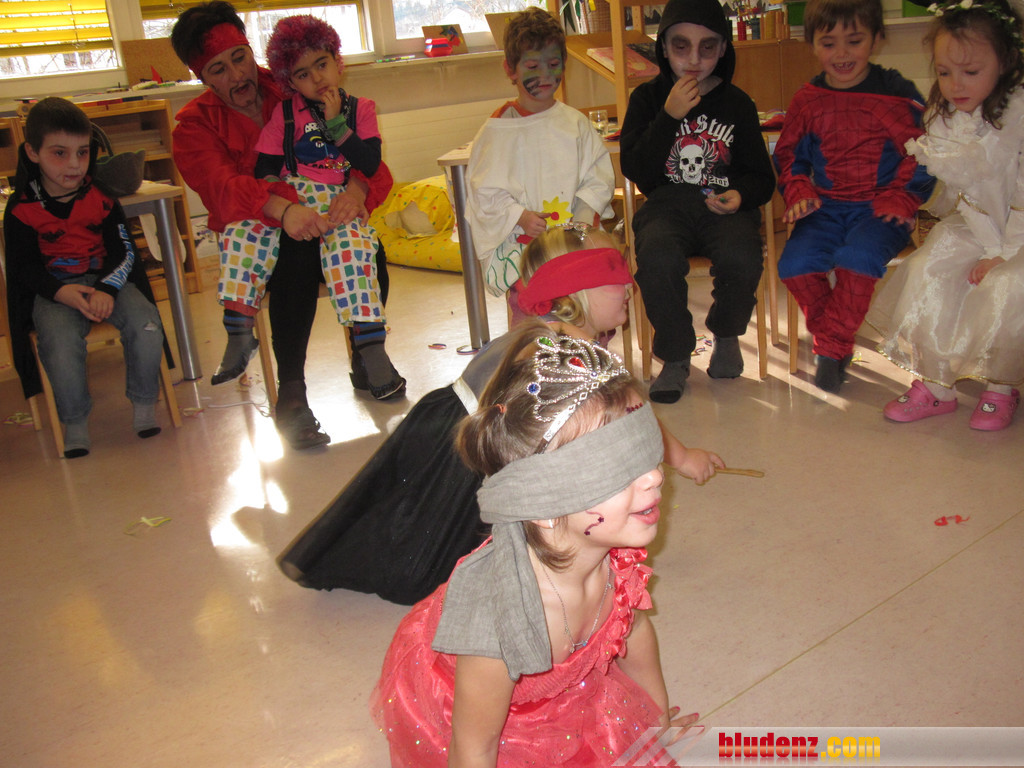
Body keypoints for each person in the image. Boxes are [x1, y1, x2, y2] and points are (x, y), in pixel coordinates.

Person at [276, 225, 723, 605]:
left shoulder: (550, 330)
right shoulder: (571, 349)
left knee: (409, 517)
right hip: (463, 442)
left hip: (452, 423)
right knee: (426, 554)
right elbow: (632, 415)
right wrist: (683, 458)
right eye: (615, 276)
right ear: (578, 288)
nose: (630, 287)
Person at [370, 329, 701, 767]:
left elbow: (634, 634)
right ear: (542, 505)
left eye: (648, 454)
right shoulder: (500, 623)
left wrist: (655, 728)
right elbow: (474, 748)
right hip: (483, 716)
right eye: (619, 470)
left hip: (566, 694)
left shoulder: (616, 560)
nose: (656, 476)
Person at [170, 1, 395, 449]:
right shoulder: (193, 127)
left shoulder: (294, 83)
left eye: (240, 57)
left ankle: (366, 356)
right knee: (296, 259)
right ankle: (291, 392)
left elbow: (365, 157)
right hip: (259, 236)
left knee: (369, 250)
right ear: (201, 77)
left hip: (324, 213)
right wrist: (283, 209)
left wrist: (355, 191)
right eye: (219, 69)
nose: (238, 76)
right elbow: (222, 189)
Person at [213, 14, 404, 401]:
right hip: (294, 200)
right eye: (303, 74)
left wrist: (336, 126)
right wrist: (282, 204)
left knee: (356, 250)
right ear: (290, 82)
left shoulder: (361, 109)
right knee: (239, 234)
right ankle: (238, 329)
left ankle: (371, 349)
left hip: (339, 201)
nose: (317, 79)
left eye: (322, 64)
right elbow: (264, 169)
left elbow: (370, 163)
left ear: (338, 61)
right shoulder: (283, 115)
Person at [867, 0, 1024, 430]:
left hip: (1020, 230)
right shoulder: (944, 118)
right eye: (943, 72)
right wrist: (986, 248)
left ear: (1005, 63)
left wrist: (1000, 254)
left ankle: (1000, 386)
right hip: (981, 224)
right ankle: (937, 384)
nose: (956, 85)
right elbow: (968, 194)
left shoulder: (1019, 114)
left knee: (1006, 284)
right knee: (927, 268)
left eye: (970, 72)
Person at [773, 0, 935, 394]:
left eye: (855, 40)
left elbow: (924, 153)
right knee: (794, 264)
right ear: (812, 43)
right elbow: (789, 155)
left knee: (857, 259)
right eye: (829, 43)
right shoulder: (808, 99)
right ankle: (836, 340)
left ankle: (831, 348)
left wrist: (902, 196)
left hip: (881, 208)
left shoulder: (897, 93)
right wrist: (799, 189)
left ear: (876, 39)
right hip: (825, 207)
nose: (842, 54)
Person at [619, 0, 776, 404]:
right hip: (666, 206)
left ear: (723, 49)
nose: (693, 59)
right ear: (663, 47)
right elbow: (636, 168)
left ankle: (726, 334)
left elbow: (762, 177)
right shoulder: (647, 99)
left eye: (707, 47)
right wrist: (668, 116)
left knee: (743, 256)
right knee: (656, 258)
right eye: (681, 46)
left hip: (722, 207)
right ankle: (675, 356)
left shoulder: (737, 103)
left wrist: (741, 195)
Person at [4, 97, 167, 459]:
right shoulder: (22, 208)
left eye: (82, 152)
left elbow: (125, 251)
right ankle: (74, 421)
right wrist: (60, 292)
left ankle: (144, 404)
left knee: (146, 324)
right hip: (56, 291)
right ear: (32, 152)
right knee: (59, 343)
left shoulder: (102, 198)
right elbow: (24, 269)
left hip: (108, 283)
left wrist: (107, 288)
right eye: (59, 153)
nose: (74, 164)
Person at [466, 6, 615, 298]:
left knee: (581, 306)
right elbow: (483, 190)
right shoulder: (499, 129)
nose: (545, 74)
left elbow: (598, 176)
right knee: (531, 312)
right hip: (523, 251)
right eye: (533, 66)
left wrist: (581, 220)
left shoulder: (575, 124)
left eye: (553, 63)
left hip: (571, 245)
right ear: (510, 69)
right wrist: (519, 216)